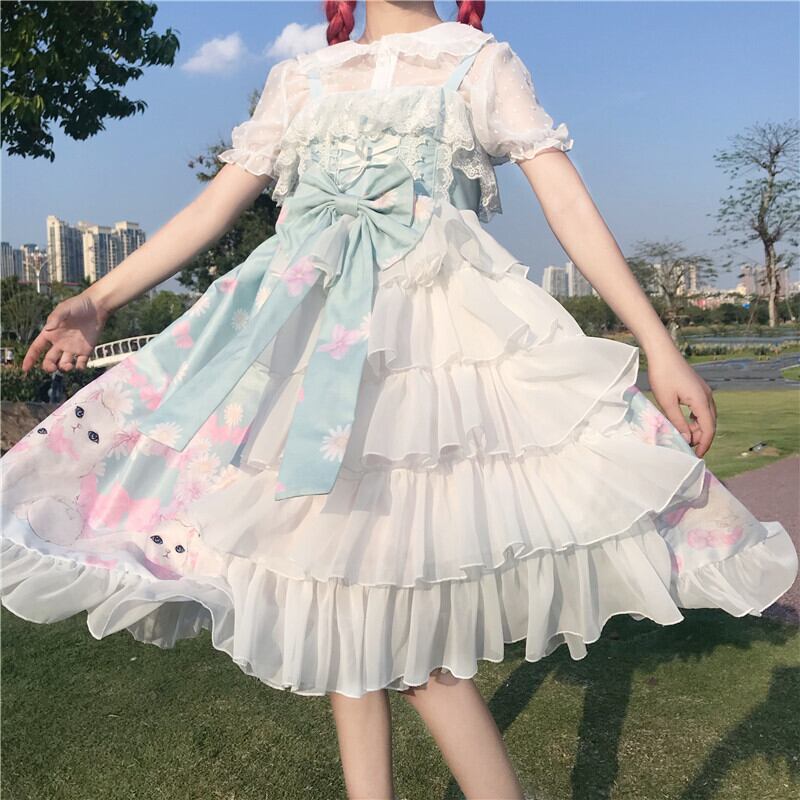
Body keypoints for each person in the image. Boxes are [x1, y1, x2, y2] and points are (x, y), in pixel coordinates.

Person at [1, 2, 797, 798]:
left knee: (419, 649)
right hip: (309, 366)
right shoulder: (302, 78)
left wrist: (658, 343)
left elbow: (568, 206)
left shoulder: (477, 62)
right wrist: (97, 299)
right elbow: (214, 207)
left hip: (424, 377)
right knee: (344, 628)